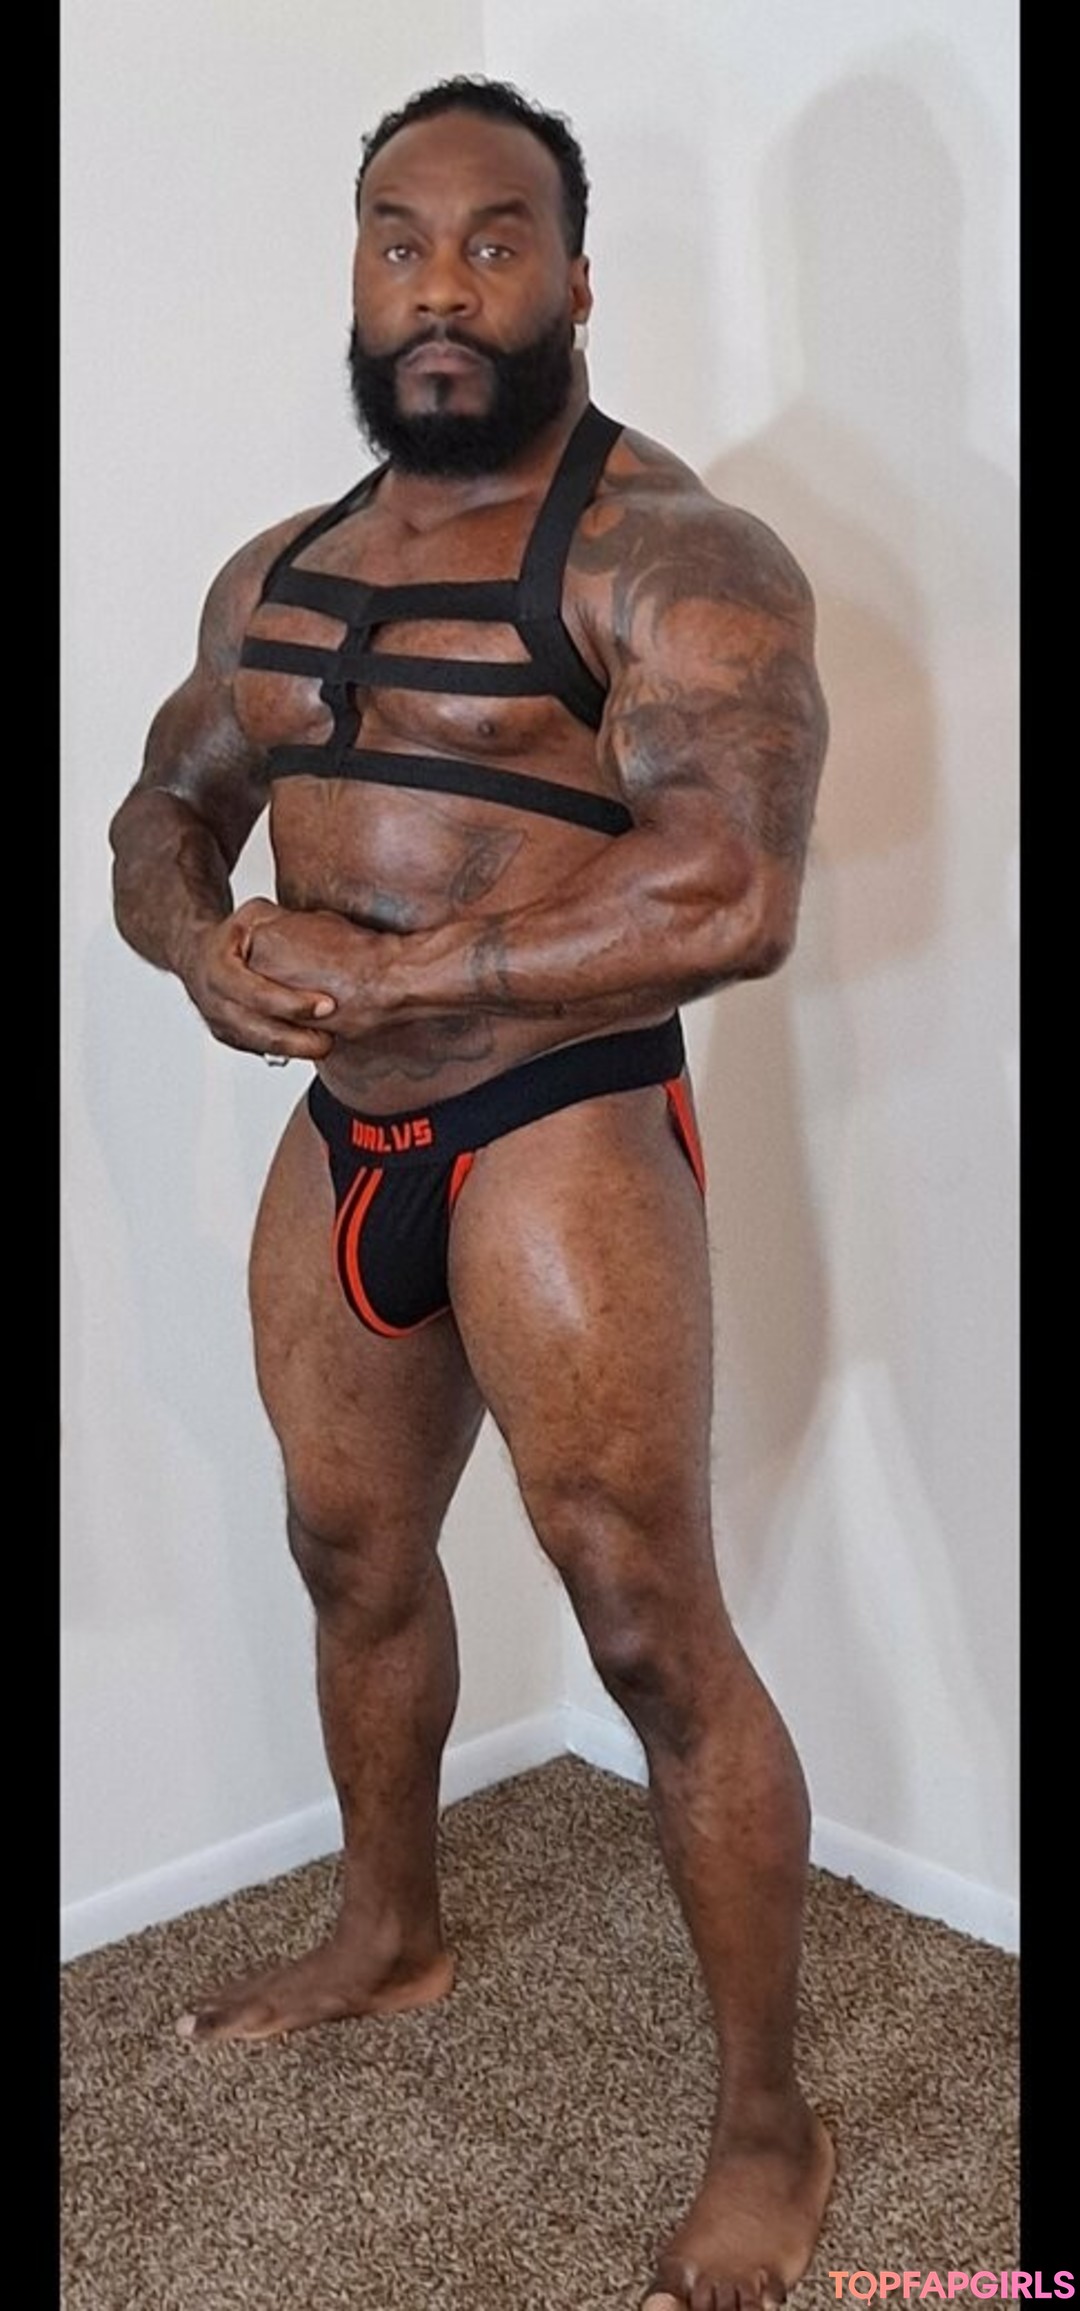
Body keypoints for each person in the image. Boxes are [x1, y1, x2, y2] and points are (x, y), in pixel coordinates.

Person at [108, 73, 833, 2311]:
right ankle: (389, 1928)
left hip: (557, 1121)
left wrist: (418, 973)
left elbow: (730, 888)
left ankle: (769, 2124)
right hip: (344, 1133)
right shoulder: (280, 572)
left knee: (646, 1620)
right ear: (354, 275)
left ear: (577, 278)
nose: (443, 284)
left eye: (496, 241)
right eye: (400, 240)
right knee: (346, 1552)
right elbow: (160, 810)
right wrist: (203, 945)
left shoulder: (675, 556)